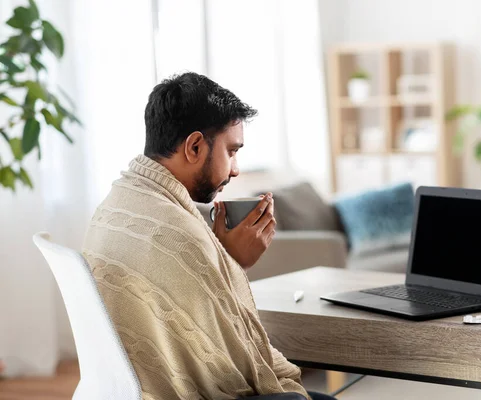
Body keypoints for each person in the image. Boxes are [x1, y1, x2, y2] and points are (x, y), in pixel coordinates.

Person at [82, 73, 336, 400]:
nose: (235, 169)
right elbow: (239, 371)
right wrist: (232, 262)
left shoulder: (117, 203)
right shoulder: (178, 234)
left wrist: (220, 259)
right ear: (195, 146)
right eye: (231, 151)